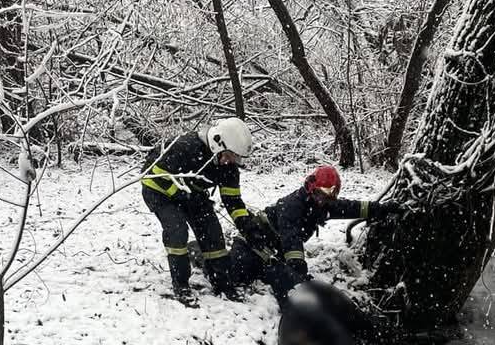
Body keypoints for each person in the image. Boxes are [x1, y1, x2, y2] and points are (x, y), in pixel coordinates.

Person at [228, 165, 404, 303]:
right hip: (251, 244)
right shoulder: (292, 205)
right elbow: (291, 239)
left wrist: (381, 209)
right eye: (320, 194)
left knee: (279, 278)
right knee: (236, 275)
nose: (322, 200)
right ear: (312, 187)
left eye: (328, 197)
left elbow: (352, 207)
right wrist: (298, 266)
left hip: (273, 253)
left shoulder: (323, 204)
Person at [141, 117, 267, 306]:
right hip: (160, 193)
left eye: (237, 158)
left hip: (192, 194)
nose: (233, 161)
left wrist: (247, 225)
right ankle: (181, 284)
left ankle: (222, 283)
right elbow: (151, 177)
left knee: (213, 233)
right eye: (231, 155)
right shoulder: (184, 148)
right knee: (177, 230)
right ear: (218, 144)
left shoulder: (228, 168)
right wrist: (180, 195)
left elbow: (232, 201)